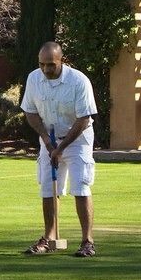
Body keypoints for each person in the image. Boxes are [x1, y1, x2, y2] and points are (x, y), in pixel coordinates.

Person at [21, 40, 98, 257]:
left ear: (61, 61)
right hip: (49, 140)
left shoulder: (78, 81)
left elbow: (84, 119)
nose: (46, 69)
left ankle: (87, 241)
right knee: (47, 187)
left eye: (51, 65)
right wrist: (47, 141)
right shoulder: (34, 79)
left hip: (77, 140)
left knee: (80, 187)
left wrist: (61, 147)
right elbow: (30, 112)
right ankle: (50, 238)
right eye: (42, 64)